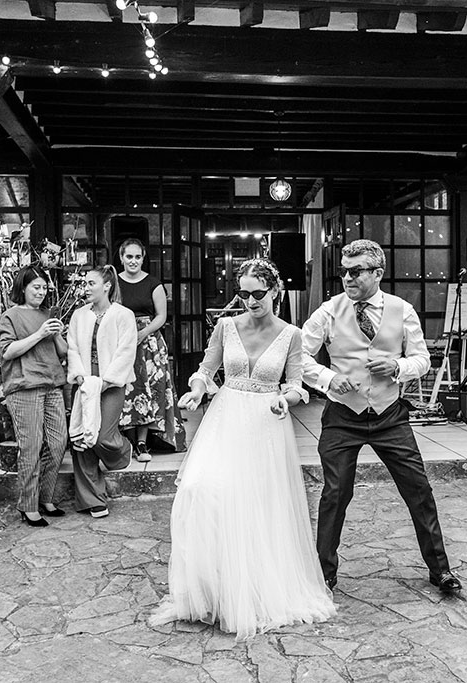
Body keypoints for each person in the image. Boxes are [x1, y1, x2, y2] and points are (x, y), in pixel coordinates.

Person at [150, 258, 335, 640]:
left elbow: (299, 383)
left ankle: (250, 590)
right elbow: (206, 369)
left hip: (266, 425)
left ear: (275, 291)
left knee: (254, 506)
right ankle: (211, 589)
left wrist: (289, 397)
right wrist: (197, 389)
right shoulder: (225, 326)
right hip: (224, 420)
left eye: (258, 293)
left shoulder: (291, 334)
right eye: (244, 293)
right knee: (198, 489)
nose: (250, 300)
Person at [301, 239, 461, 595]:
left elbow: (422, 359)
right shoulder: (328, 311)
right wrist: (327, 378)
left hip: (390, 415)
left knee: (419, 491)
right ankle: (324, 574)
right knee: (334, 495)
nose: (347, 277)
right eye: (343, 271)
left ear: (377, 273)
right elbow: (298, 356)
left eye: (355, 271)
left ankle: (441, 571)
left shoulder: (402, 309)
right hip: (343, 417)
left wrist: (399, 366)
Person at [0, 265, 69, 528]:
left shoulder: (49, 314)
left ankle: (45, 497)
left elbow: (63, 352)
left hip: (52, 384)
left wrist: (57, 334)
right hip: (24, 386)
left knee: (59, 442)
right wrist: (39, 334)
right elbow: (7, 352)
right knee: (31, 446)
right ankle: (28, 505)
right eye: (35, 287)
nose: (41, 291)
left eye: (44, 287)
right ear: (23, 288)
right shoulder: (10, 316)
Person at [66, 264, 137, 518]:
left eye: (90, 283)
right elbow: (72, 347)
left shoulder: (123, 314)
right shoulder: (78, 315)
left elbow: (127, 350)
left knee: (102, 436)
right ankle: (93, 499)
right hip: (85, 382)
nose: (85, 288)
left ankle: (122, 452)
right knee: (82, 440)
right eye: (84, 284)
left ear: (106, 286)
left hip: (111, 384)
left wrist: (108, 380)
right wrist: (79, 376)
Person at [116, 239, 186, 461]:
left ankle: (143, 442)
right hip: (120, 341)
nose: (133, 261)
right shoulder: (114, 283)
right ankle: (127, 440)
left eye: (138, 257)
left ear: (143, 258)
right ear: (121, 258)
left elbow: (161, 317)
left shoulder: (154, 283)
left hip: (149, 345)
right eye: (129, 256)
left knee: (149, 390)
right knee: (125, 389)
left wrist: (141, 334)